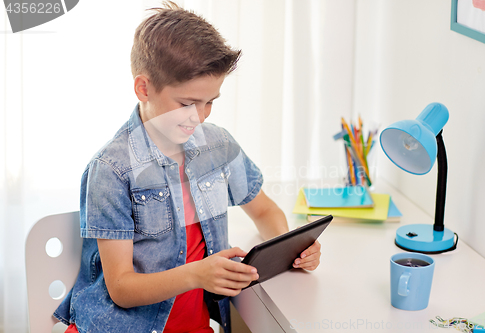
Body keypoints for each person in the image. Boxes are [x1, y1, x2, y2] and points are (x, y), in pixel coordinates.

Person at [54, 2, 321, 332]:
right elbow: (121, 289)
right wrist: (197, 273)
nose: (202, 116)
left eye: (210, 101)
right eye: (187, 103)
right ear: (143, 88)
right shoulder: (111, 169)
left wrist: (290, 251)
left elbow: (265, 212)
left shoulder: (217, 146)